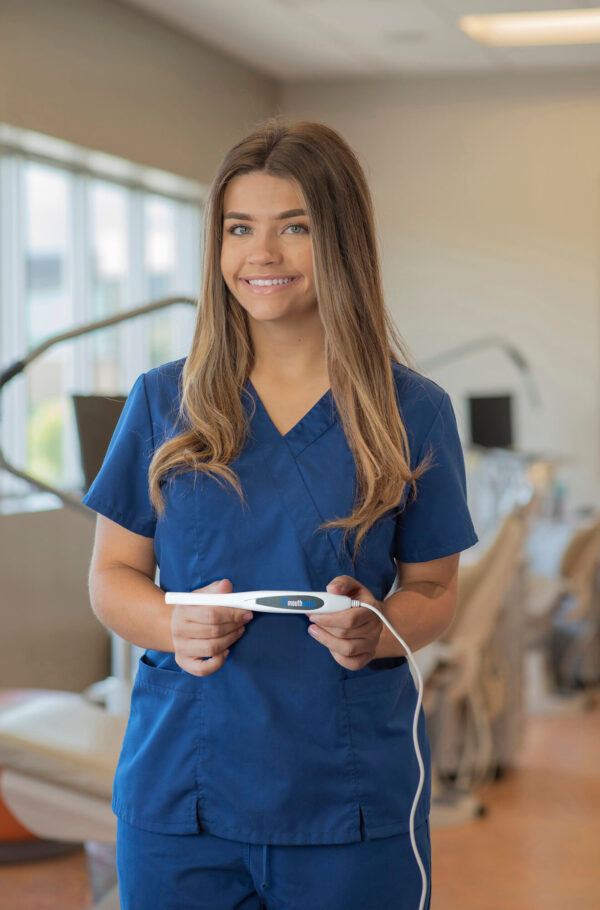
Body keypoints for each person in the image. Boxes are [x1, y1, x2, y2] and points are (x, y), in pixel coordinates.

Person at [83, 119, 478, 910]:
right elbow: (113, 577)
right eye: (239, 229)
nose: (260, 255)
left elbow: (435, 588)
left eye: (293, 227)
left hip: (350, 804)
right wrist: (171, 626)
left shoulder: (413, 412)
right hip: (181, 800)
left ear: (340, 243)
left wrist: (382, 625)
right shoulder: (165, 401)